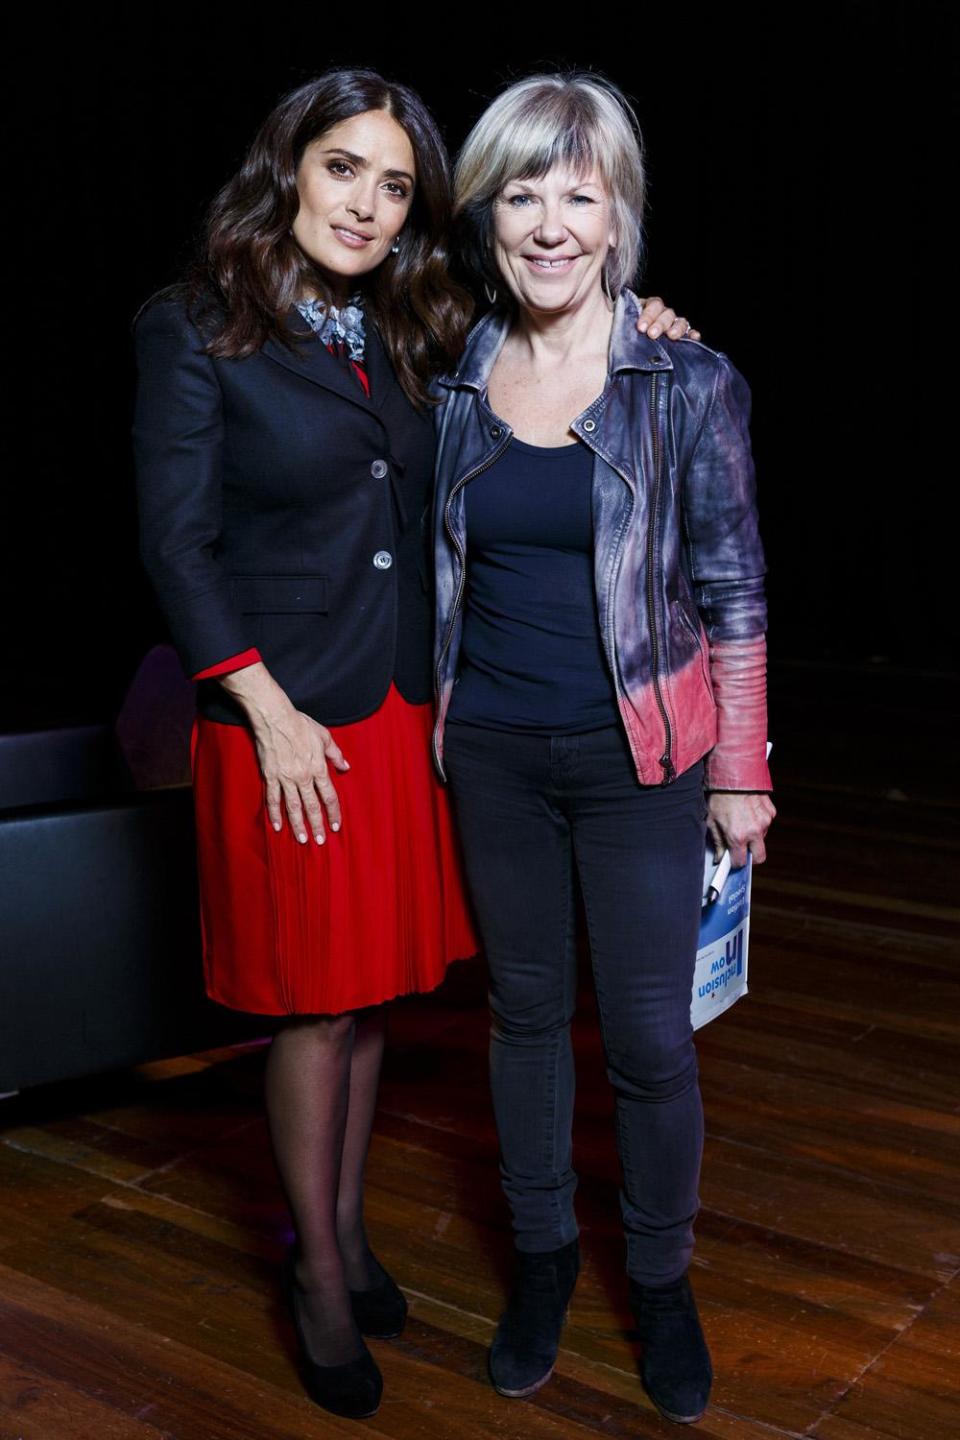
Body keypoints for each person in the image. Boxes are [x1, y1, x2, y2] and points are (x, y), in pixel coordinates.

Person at [132, 67, 692, 1421]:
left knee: (371, 990)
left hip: (396, 706)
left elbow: (537, 370)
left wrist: (642, 320)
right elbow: (175, 541)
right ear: (289, 166)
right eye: (344, 170)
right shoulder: (195, 324)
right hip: (282, 719)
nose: (370, 205)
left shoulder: (409, 321)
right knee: (312, 1004)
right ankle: (316, 1276)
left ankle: (353, 1233)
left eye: (395, 184)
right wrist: (260, 708)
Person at [433, 72, 775, 1426]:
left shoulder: (686, 378)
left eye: (581, 192)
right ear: (491, 218)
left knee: (646, 1037)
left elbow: (737, 586)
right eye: (523, 192)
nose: (552, 220)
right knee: (522, 1020)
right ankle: (541, 1263)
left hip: (646, 758)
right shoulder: (452, 370)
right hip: (497, 757)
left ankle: (662, 1277)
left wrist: (741, 769)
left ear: (619, 215)